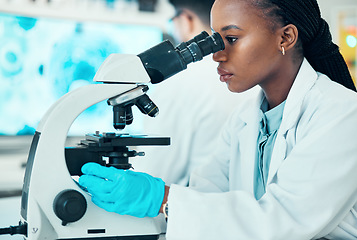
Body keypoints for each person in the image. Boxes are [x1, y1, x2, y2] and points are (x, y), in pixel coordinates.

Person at [79, 0, 357, 239]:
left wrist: (160, 199)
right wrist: (149, 200)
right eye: (214, 39)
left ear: (285, 38)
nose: (216, 55)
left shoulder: (341, 113)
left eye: (232, 39)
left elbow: (283, 221)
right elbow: (207, 194)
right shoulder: (246, 119)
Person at [130, 0, 251, 186]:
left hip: (193, 206)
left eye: (172, 22)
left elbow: (154, 175)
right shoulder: (247, 78)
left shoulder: (178, 83)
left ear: (186, 20)